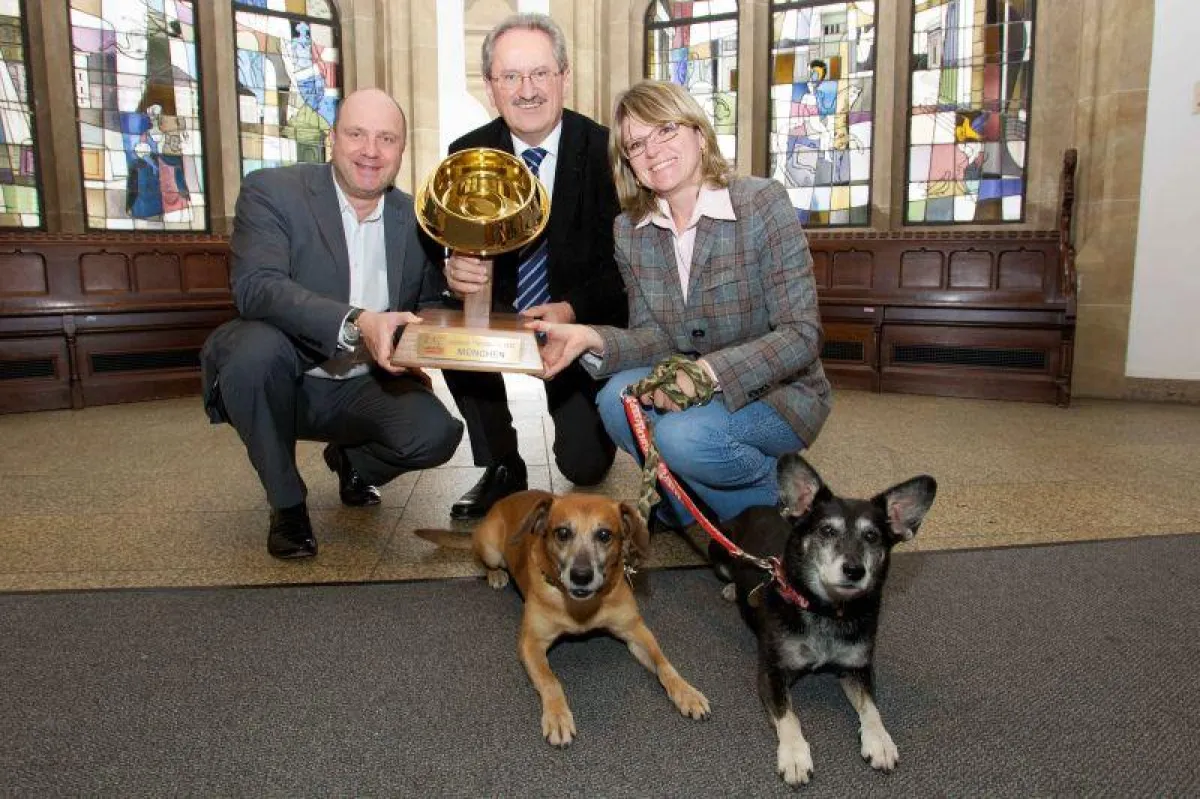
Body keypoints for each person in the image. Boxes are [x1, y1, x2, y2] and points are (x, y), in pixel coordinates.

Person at [530, 79, 832, 527]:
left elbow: (802, 335)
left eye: (666, 130)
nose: (653, 151)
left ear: (698, 132)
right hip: (692, 390)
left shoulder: (761, 202)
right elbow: (658, 337)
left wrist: (707, 374)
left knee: (681, 437)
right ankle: (692, 501)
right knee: (615, 397)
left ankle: (798, 509)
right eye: (636, 144)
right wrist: (588, 337)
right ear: (628, 163)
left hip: (779, 391)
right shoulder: (630, 231)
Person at [200, 88, 464, 559]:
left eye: (387, 139)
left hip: (366, 384)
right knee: (250, 352)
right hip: (288, 376)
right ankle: (288, 504)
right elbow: (256, 287)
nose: (371, 150)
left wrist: (464, 287)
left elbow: (427, 305)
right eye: (357, 134)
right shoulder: (272, 191)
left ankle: (353, 463)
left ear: (402, 150)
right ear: (332, 139)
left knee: (436, 434)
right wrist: (358, 321)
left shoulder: (417, 218)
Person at [438, 12, 626, 520]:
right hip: (495, 315)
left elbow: (627, 270)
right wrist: (453, 271)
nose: (527, 90)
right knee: (438, 314)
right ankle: (501, 463)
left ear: (564, 75)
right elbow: (445, 242)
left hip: (576, 318)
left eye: (540, 73)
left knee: (583, 466)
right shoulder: (467, 153)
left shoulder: (610, 152)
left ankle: (592, 434)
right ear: (491, 86)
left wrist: (571, 309)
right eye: (511, 76)